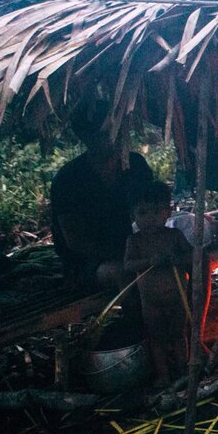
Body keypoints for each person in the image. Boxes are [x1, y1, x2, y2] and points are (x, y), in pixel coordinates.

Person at [50, 104, 155, 296]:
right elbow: (76, 242)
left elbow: (152, 207)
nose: (116, 137)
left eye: (118, 130)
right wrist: (127, 255)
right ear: (87, 138)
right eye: (106, 132)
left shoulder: (135, 165)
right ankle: (139, 325)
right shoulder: (68, 180)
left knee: (194, 258)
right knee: (127, 273)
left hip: (134, 248)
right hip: (87, 263)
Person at [124, 181, 193, 387]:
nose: (150, 218)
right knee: (156, 338)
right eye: (142, 213)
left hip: (177, 298)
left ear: (167, 212)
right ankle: (162, 374)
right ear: (133, 216)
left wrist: (176, 259)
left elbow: (191, 256)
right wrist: (148, 261)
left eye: (155, 211)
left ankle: (183, 369)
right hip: (151, 302)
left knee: (179, 333)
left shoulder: (174, 236)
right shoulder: (134, 241)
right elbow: (128, 265)